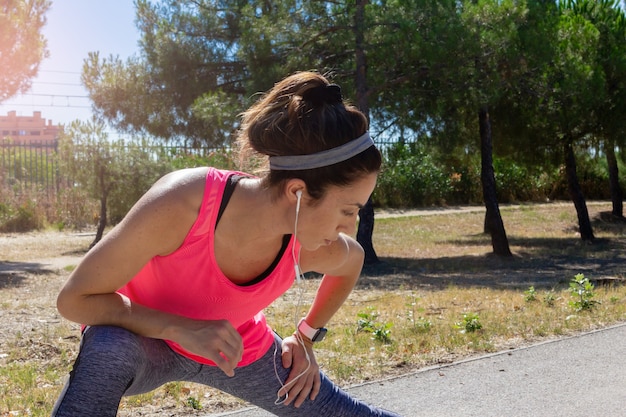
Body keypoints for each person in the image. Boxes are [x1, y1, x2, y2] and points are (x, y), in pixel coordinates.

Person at [51, 71, 401, 417]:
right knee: (109, 348)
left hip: (234, 350)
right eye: (347, 210)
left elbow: (350, 262)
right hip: (143, 343)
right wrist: (179, 327)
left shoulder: (309, 241)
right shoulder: (185, 202)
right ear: (297, 192)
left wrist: (306, 337)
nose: (348, 227)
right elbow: (74, 300)